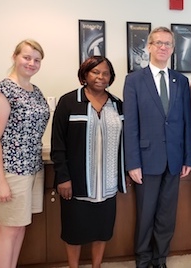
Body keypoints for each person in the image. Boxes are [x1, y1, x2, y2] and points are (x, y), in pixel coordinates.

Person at [123, 26, 191, 268]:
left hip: (174, 160)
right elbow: (130, 125)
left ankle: (160, 258)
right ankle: (143, 259)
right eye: (158, 43)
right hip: (145, 159)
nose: (163, 47)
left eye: (167, 44)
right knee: (145, 215)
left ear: (173, 49)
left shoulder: (181, 81)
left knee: (166, 215)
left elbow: (186, 122)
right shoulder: (134, 80)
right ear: (149, 47)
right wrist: (132, 162)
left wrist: (188, 158)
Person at [51, 56, 127, 268]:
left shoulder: (117, 105)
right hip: (76, 183)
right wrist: (63, 177)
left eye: (105, 73)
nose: (100, 77)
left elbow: (126, 142)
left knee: (102, 230)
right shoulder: (69, 102)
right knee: (74, 231)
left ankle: (97, 266)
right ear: (85, 74)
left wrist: (125, 173)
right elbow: (58, 143)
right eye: (95, 72)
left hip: (107, 182)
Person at [0, 39, 49, 268]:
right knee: (8, 229)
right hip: (11, 170)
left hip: (32, 168)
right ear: (15, 57)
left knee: (19, 226)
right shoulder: (4, 91)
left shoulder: (35, 90)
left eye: (37, 59)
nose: (32, 63)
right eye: (27, 57)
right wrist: (0, 182)